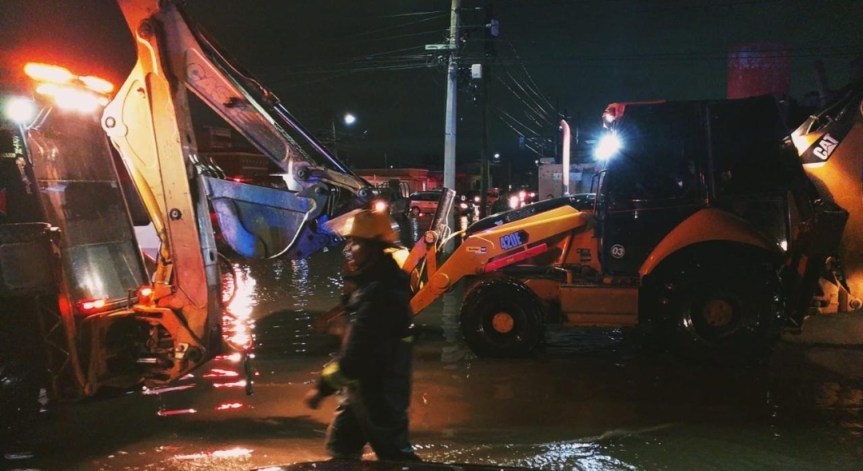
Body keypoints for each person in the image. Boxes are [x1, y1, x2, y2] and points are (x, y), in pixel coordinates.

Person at [304, 209, 420, 462]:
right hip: (362, 389)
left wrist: (321, 390)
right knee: (341, 449)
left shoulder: (381, 294)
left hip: (380, 394)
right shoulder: (372, 285)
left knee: (397, 459)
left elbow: (357, 354)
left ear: (373, 249)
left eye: (355, 242)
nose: (349, 249)